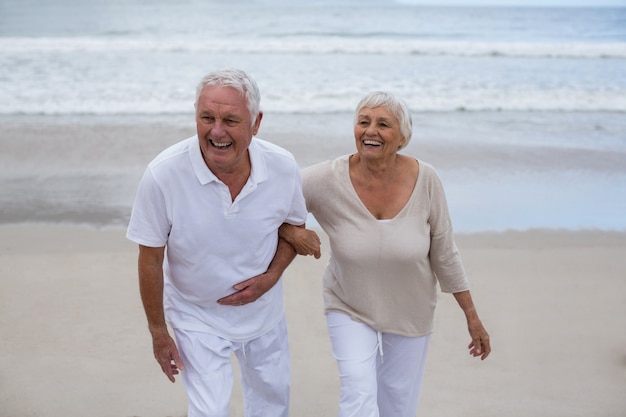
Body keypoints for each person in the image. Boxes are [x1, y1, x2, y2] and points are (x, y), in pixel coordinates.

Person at [279, 91, 491, 417]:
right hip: (348, 304)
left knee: (397, 402)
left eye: (383, 124)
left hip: (411, 309)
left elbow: (445, 252)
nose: (370, 131)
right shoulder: (325, 178)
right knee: (358, 389)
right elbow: (271, 202)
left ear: (403, 137)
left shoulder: (427, 179)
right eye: (363, 122)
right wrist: (292, 231)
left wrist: (472, 317)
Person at [126, 68, 308, 417]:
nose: (216, 131)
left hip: (264, 314)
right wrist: (159, 334)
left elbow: (292, 226)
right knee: (210, 411)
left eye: (230, 120)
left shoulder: (283, 166)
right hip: (197, 315)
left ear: (256, 123)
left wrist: (270, 278)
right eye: (206, 117)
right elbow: (149, 258)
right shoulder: (163, 174)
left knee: (273, 405)